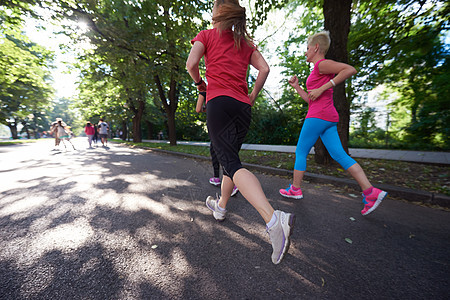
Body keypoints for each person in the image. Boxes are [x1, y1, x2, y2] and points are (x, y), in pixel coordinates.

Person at [186, 0, 295, 265]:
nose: (211, 10)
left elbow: (191, 64)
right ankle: (221, 207)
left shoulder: (206, 35)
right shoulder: (244, 42)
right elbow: (265, 69)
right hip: (242, 107)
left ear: (220, 11)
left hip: (219, 103)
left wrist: (201, 84)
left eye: (214, 6)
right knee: (229, 161)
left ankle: (273, 219)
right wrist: (253, 95)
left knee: (232, 164)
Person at [279, 31, 387, 216]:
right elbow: (311, 100)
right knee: (339, 154)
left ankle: (295, 189)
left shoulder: (322, 64)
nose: (305, 52)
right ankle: (370, 192)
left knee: (301, 151)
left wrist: (323, 87)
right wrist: (297, 87)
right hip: (326, 116)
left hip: (317, 117)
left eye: (307, 48)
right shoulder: (317, 70)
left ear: (316, 48)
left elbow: (350, 69)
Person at [196, 91, 239, 197]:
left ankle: (224, 180)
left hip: (216, 122)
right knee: (229, 151)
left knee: (216, 150)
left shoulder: (205, 89)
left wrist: (207, 108)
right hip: (231, 120)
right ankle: (230, 179)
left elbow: (198, 109)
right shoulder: (229, 85)